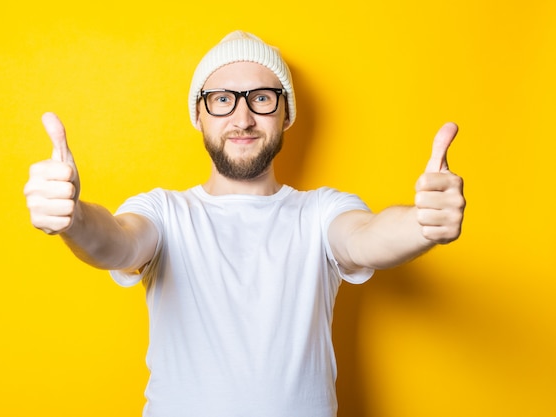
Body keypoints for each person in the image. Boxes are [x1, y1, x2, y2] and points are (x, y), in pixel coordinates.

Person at [24, 31, 465, 417]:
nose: (241, 118)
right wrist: (74, 218)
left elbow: (367, 238)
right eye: (221, 100)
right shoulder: (165, 212)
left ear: (285, 113)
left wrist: (421, 225)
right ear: (198, 115)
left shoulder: (320, 213)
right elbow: (117, 243)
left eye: (261, 98)